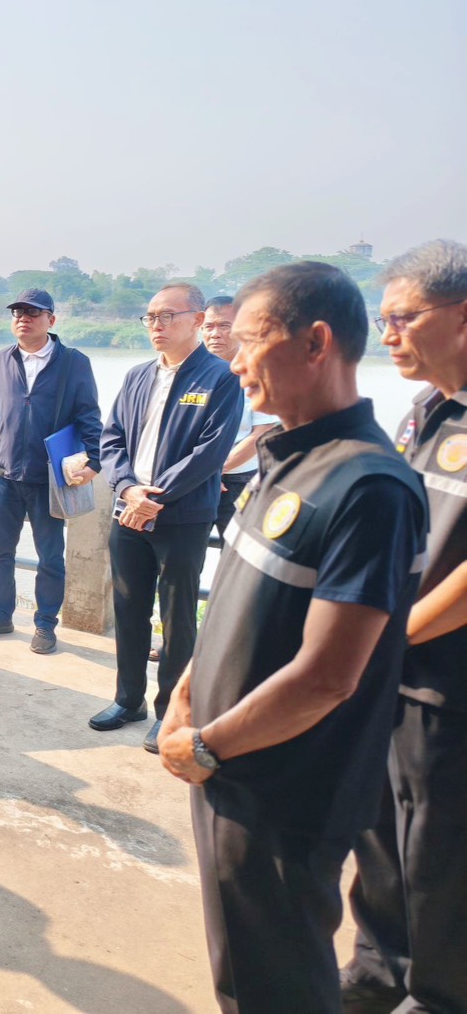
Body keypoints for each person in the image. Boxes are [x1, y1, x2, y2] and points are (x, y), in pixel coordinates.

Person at [158, 263, 427, 1014]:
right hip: (228, 765)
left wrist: (207, 744)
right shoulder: (285, 459)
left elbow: (327, 675)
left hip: (284, 788)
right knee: (240, 968)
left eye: (250, 341)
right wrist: (186, 693)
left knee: (275, 980)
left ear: (316, 343)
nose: (234, 362)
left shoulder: (367, 487)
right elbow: (234, 606)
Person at [342, 240, 467, 1014]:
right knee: (377, 830)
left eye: (403, 318)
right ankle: (376, 969)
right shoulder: (423, 411)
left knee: (440, 851)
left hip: (445, 681)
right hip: (390, 666)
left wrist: (391, 636)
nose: (387, 335)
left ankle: (438, 992)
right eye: (381, 319)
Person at [92, 282, 242, 753]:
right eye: (151, 317)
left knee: (177, 617)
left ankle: (170, 713)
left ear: (196, 320)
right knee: (129, 609)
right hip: (128, 511)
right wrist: (127, 489)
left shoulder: (220, 378)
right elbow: (112, 439)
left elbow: (210, 453)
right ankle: (128, 699)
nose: (156, 325)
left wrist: (154, 497)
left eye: (167, 316)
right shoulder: (138, 376)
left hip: (182, 517)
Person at [0, 288, 102, 654]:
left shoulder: (73, 362)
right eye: (17, 313)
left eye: (32, 313)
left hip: (49, 479)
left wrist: (94, 461)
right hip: (4, 476)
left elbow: (89, 416)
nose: (23, 319)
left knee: (50, 557)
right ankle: (1, 614)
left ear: (51, 320)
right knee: (0, 552)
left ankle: (45, 624)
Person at [202, 295, 281, 543]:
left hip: (238, 480)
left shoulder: (259, 373)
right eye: (209, 326)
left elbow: (262, 433)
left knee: (240, 553)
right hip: (194, 482)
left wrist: (216, 470)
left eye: (224, 326)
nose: (215, 334)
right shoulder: (190, 373)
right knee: (185, 558)